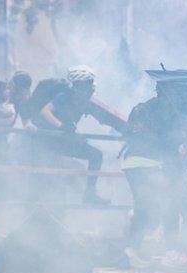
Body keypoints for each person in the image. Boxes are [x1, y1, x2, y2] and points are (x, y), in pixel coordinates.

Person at [122, 80, 187, 255]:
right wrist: (179, 144)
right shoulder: (165, 112)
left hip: (137, 165)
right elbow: (163, 141)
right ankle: (173, 252)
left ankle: (133, 250)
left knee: (147, 207)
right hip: (156, 166)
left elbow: (129, 134)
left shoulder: (144, 108)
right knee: (177, 207)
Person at [35, 65, 129, 204]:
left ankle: (89, 195)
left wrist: (127, 130)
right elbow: (45, 111)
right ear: (80, 84)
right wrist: (61, 126)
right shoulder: (66, 95)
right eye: (89, 83)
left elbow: (107, 116)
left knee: (96, 155)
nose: (92, 86)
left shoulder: (85, 101)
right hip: (50, 140)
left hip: (64, 140)